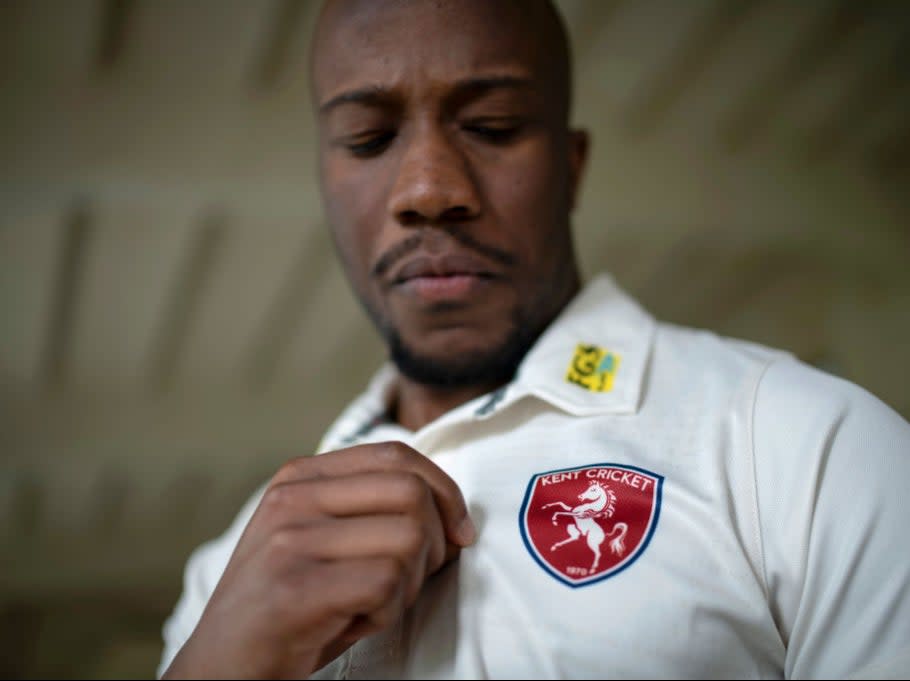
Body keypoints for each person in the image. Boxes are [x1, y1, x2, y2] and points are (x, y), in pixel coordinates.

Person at [156, 1, 910, 678]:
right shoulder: (225, 574)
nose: (428, 190)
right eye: (369, 137)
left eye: (492, 127)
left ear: (571, 167)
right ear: (324, 182)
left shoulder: (805, 447)